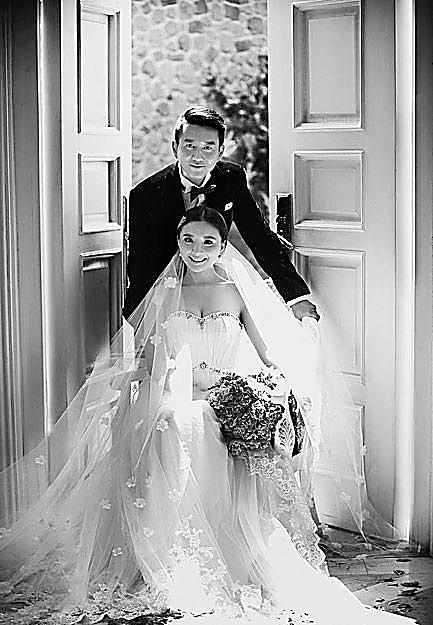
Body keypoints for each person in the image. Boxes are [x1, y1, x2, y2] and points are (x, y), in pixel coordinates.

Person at [0, 206, 413, 625]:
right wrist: (144, 386)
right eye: (188, 241)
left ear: (221, 247)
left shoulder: (234, 292)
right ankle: (171, 553)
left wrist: (271, 385)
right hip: (173, 397)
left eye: (208, 242)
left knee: (198, 422)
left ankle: (221, 550)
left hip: (223, 398)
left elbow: (266, 357)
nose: (196, 250)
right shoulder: (164, 293)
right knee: (175, 420)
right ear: (178, 243)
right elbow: (147, 360)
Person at [123, 106, 319, 323]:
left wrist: (296, 296)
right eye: (189, 146)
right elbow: (140, 263)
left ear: (220, 151)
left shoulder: (231, 178)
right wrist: (139, 316)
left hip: (217, 280)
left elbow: (258, 235)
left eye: (208, 147)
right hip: (167, 289)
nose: (197, 156)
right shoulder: (146, 194)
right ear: (175, 147)